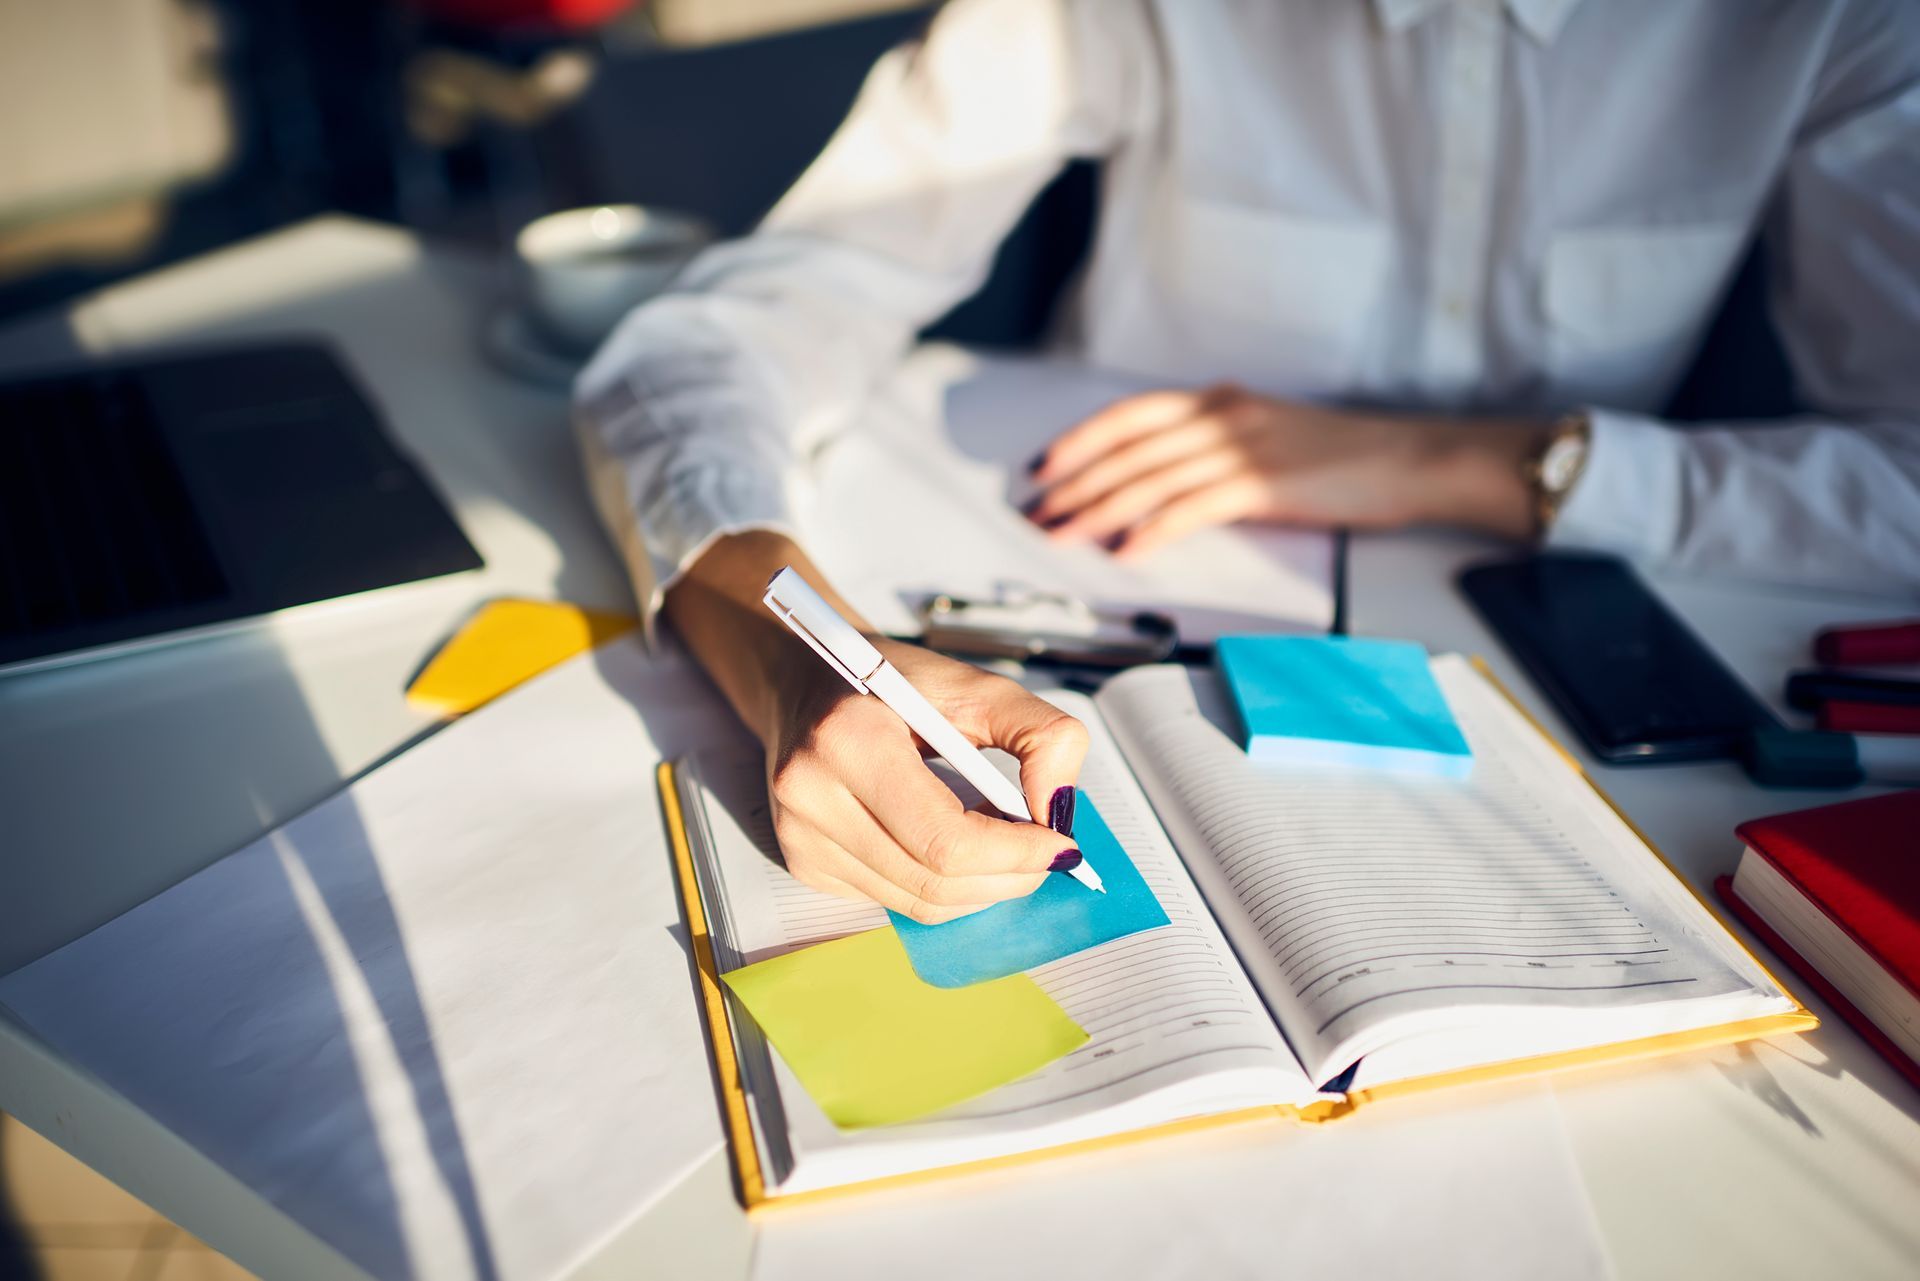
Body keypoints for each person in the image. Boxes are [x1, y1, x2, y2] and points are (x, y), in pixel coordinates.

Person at [575, 0, 1920, 922]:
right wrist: (790, 651)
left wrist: (1490, 464)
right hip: (1094, 612)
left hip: (1578, 730)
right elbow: (712, 343)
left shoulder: (1831, 21)